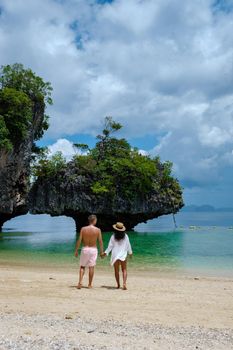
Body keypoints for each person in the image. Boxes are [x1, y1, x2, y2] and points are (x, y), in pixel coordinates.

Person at [74, 214, 103, 289]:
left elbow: (79, 240)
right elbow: (100, 242)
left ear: (89, 221)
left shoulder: (83, 229)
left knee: (82, 266)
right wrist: (101, 252)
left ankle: (80, 282)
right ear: (94, 221)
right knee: (91, 267)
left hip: (85, 249)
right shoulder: (98, 230)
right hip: (93, 250)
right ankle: (89, 284)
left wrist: (76, 250)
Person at [102, 222, 132, 290]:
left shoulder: (113, 236)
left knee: (116, 271)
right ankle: (124, 283)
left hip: (115, 256)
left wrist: (105, 253)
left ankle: (118, 285)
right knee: (124, 270)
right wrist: (130, 253)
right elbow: (128, 245)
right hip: (123, 255)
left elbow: (110, 247)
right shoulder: (126, 236)